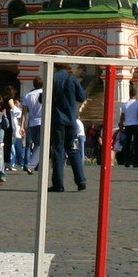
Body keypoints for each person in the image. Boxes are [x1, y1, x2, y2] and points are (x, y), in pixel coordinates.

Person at [49, 63, 88, 191]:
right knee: (73, 149)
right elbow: (82, 96)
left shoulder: (52, 78)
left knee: (58, 150)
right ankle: (81, 181)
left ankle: (58, 184)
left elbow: (43, 99)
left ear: (55, 66)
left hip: (57, 119)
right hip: (71, 120)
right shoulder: (72, 79)